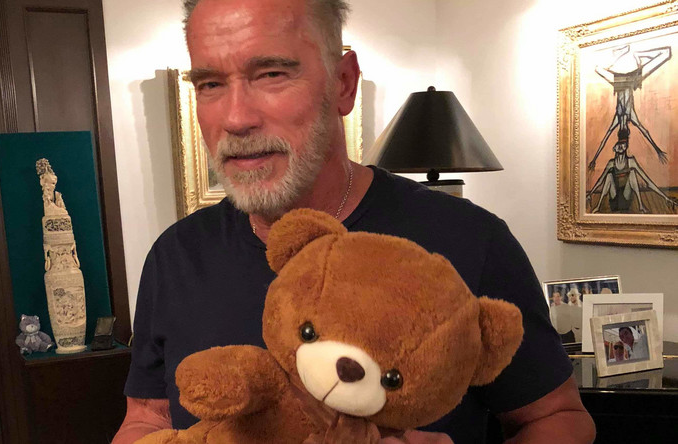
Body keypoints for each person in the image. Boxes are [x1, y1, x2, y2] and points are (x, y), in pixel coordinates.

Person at [113, 1, 596, 443]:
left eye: (272, 74)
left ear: (343, 83)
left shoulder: (469, 239)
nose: (236, 118)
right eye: (210, 84)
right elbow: (146, 419)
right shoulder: (176, 255)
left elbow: (558, 418)